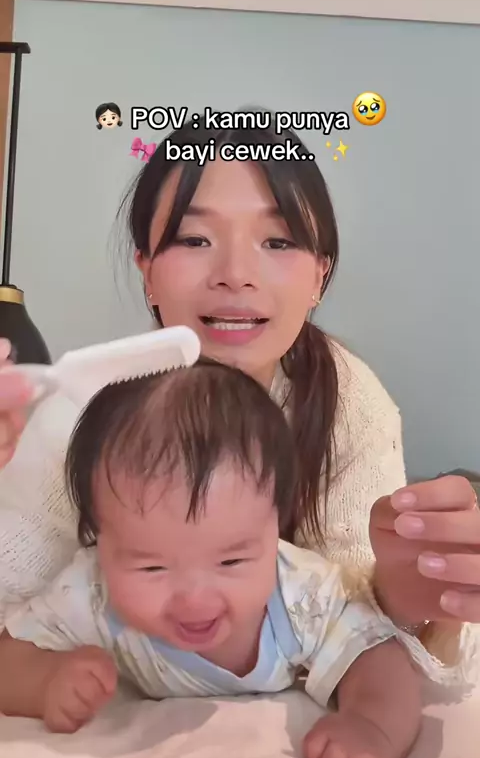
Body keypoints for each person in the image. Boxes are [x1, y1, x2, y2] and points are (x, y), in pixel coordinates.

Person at [0, 110, 478, 686]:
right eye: (194, 239)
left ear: (319, 276)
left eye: (278, 241)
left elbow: (355, 623)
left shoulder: (348, 402)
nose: (235, 274)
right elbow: (12, 601)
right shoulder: (86, 405)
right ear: (146, 271)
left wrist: (407, 594)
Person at [0, 360, 422, 758]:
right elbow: (8, 658)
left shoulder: (300, 595)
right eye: (152, 567)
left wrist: (372, 728)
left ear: (274, 527)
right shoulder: (92, 592)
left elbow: (377, 655)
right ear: (97, 539)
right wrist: (45, 680)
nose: (195, 599)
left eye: (232, 562)